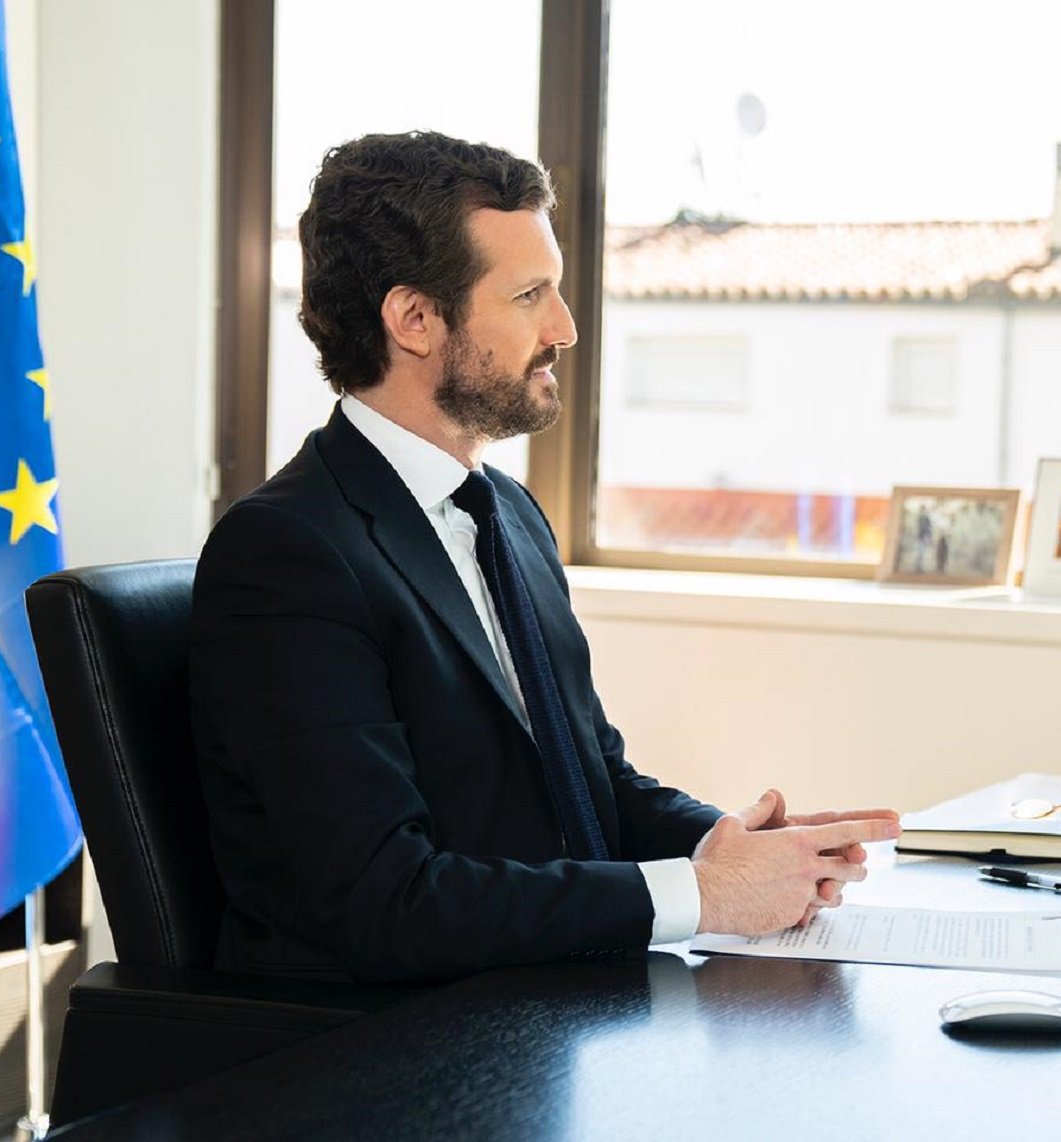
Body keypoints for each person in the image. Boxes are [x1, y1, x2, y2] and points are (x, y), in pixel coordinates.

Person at [191, 132, 899, 984]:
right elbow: (384, 900)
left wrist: (728, 848)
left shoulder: (510, 516)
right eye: (530, 295)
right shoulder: (288, 553)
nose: (564, 327)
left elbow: (589, 776)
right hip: (383, 1048)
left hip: (537, 995)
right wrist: (704, 897)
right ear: (414, 320)